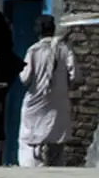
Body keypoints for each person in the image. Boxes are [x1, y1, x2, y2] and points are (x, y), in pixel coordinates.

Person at [18, 15, 76, 168]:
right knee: (57, 142)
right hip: (59, 103)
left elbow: (25, 78)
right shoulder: (64, 49)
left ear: (37, 31)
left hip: (35, 104)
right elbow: (75, 75)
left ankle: (33, 171)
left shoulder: (34, 50)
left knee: (30, 140)